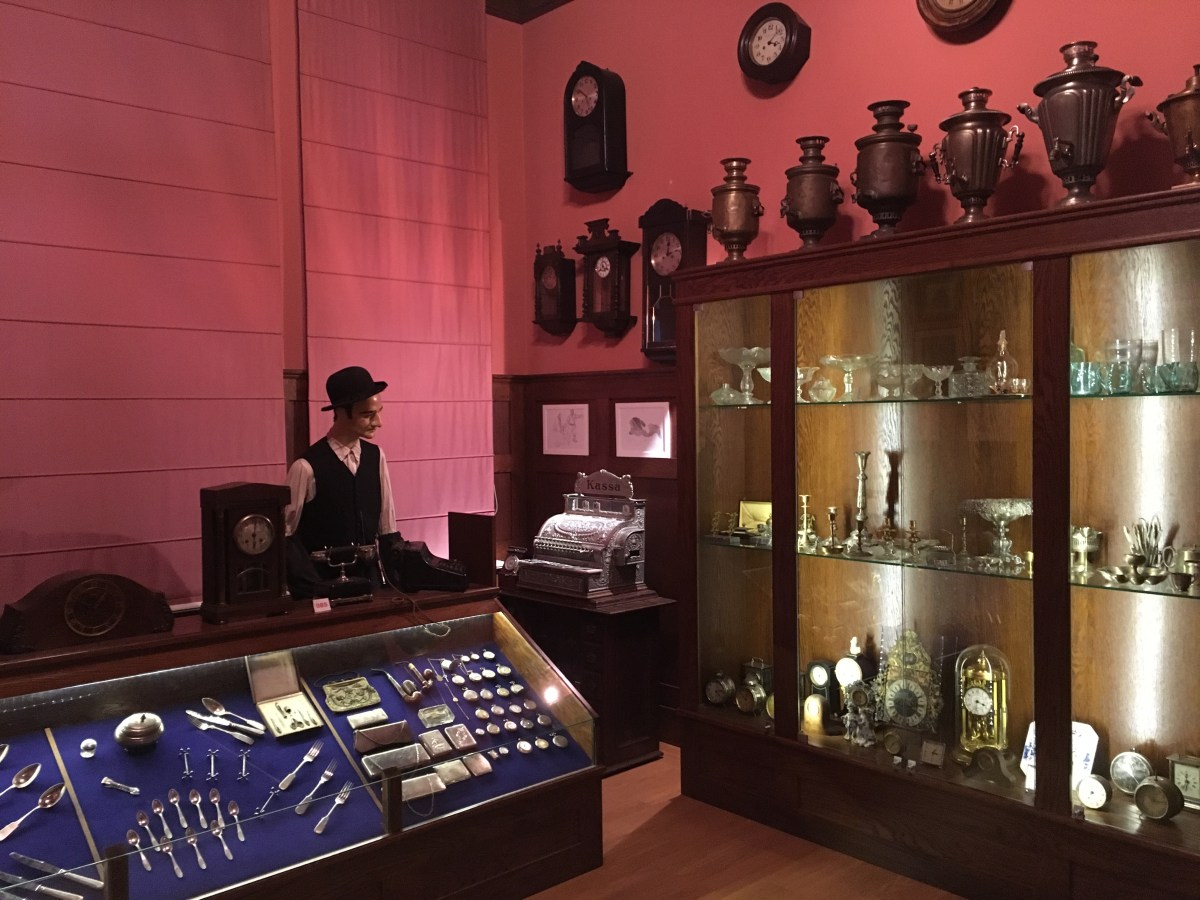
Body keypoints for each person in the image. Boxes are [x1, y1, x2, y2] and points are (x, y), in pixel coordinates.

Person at [284, 366, 397, 598]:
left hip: (370, 586)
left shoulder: (376, 457)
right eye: (367, 414)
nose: (378, 422)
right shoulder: (305, 467)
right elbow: (286, 535)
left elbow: (387, 529)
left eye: (378, 412)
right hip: (323, 590)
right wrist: (314, 587)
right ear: (342, 412)